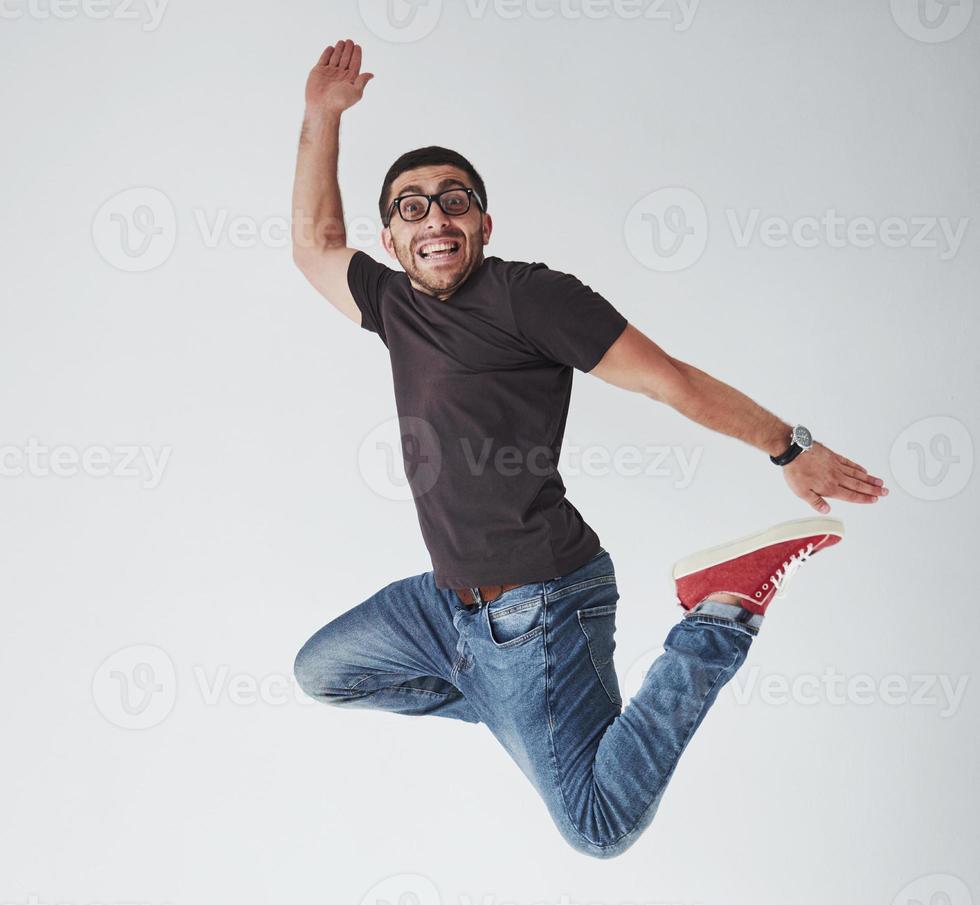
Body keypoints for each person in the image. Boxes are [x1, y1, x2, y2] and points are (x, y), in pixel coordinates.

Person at [289, 39, 889, 859]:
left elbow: (668, 380)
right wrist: (323, 114)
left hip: (541, 606)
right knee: (326, 673)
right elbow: (314, 244)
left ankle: (722, 613)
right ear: (392, 239)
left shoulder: (531, 297)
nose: (435, 217)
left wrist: (789, 447)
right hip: (444, 607)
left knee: (599, 827)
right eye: (412, 207)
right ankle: (513, 701)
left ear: (484, 223)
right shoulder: (394, 305)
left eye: (454, 200)